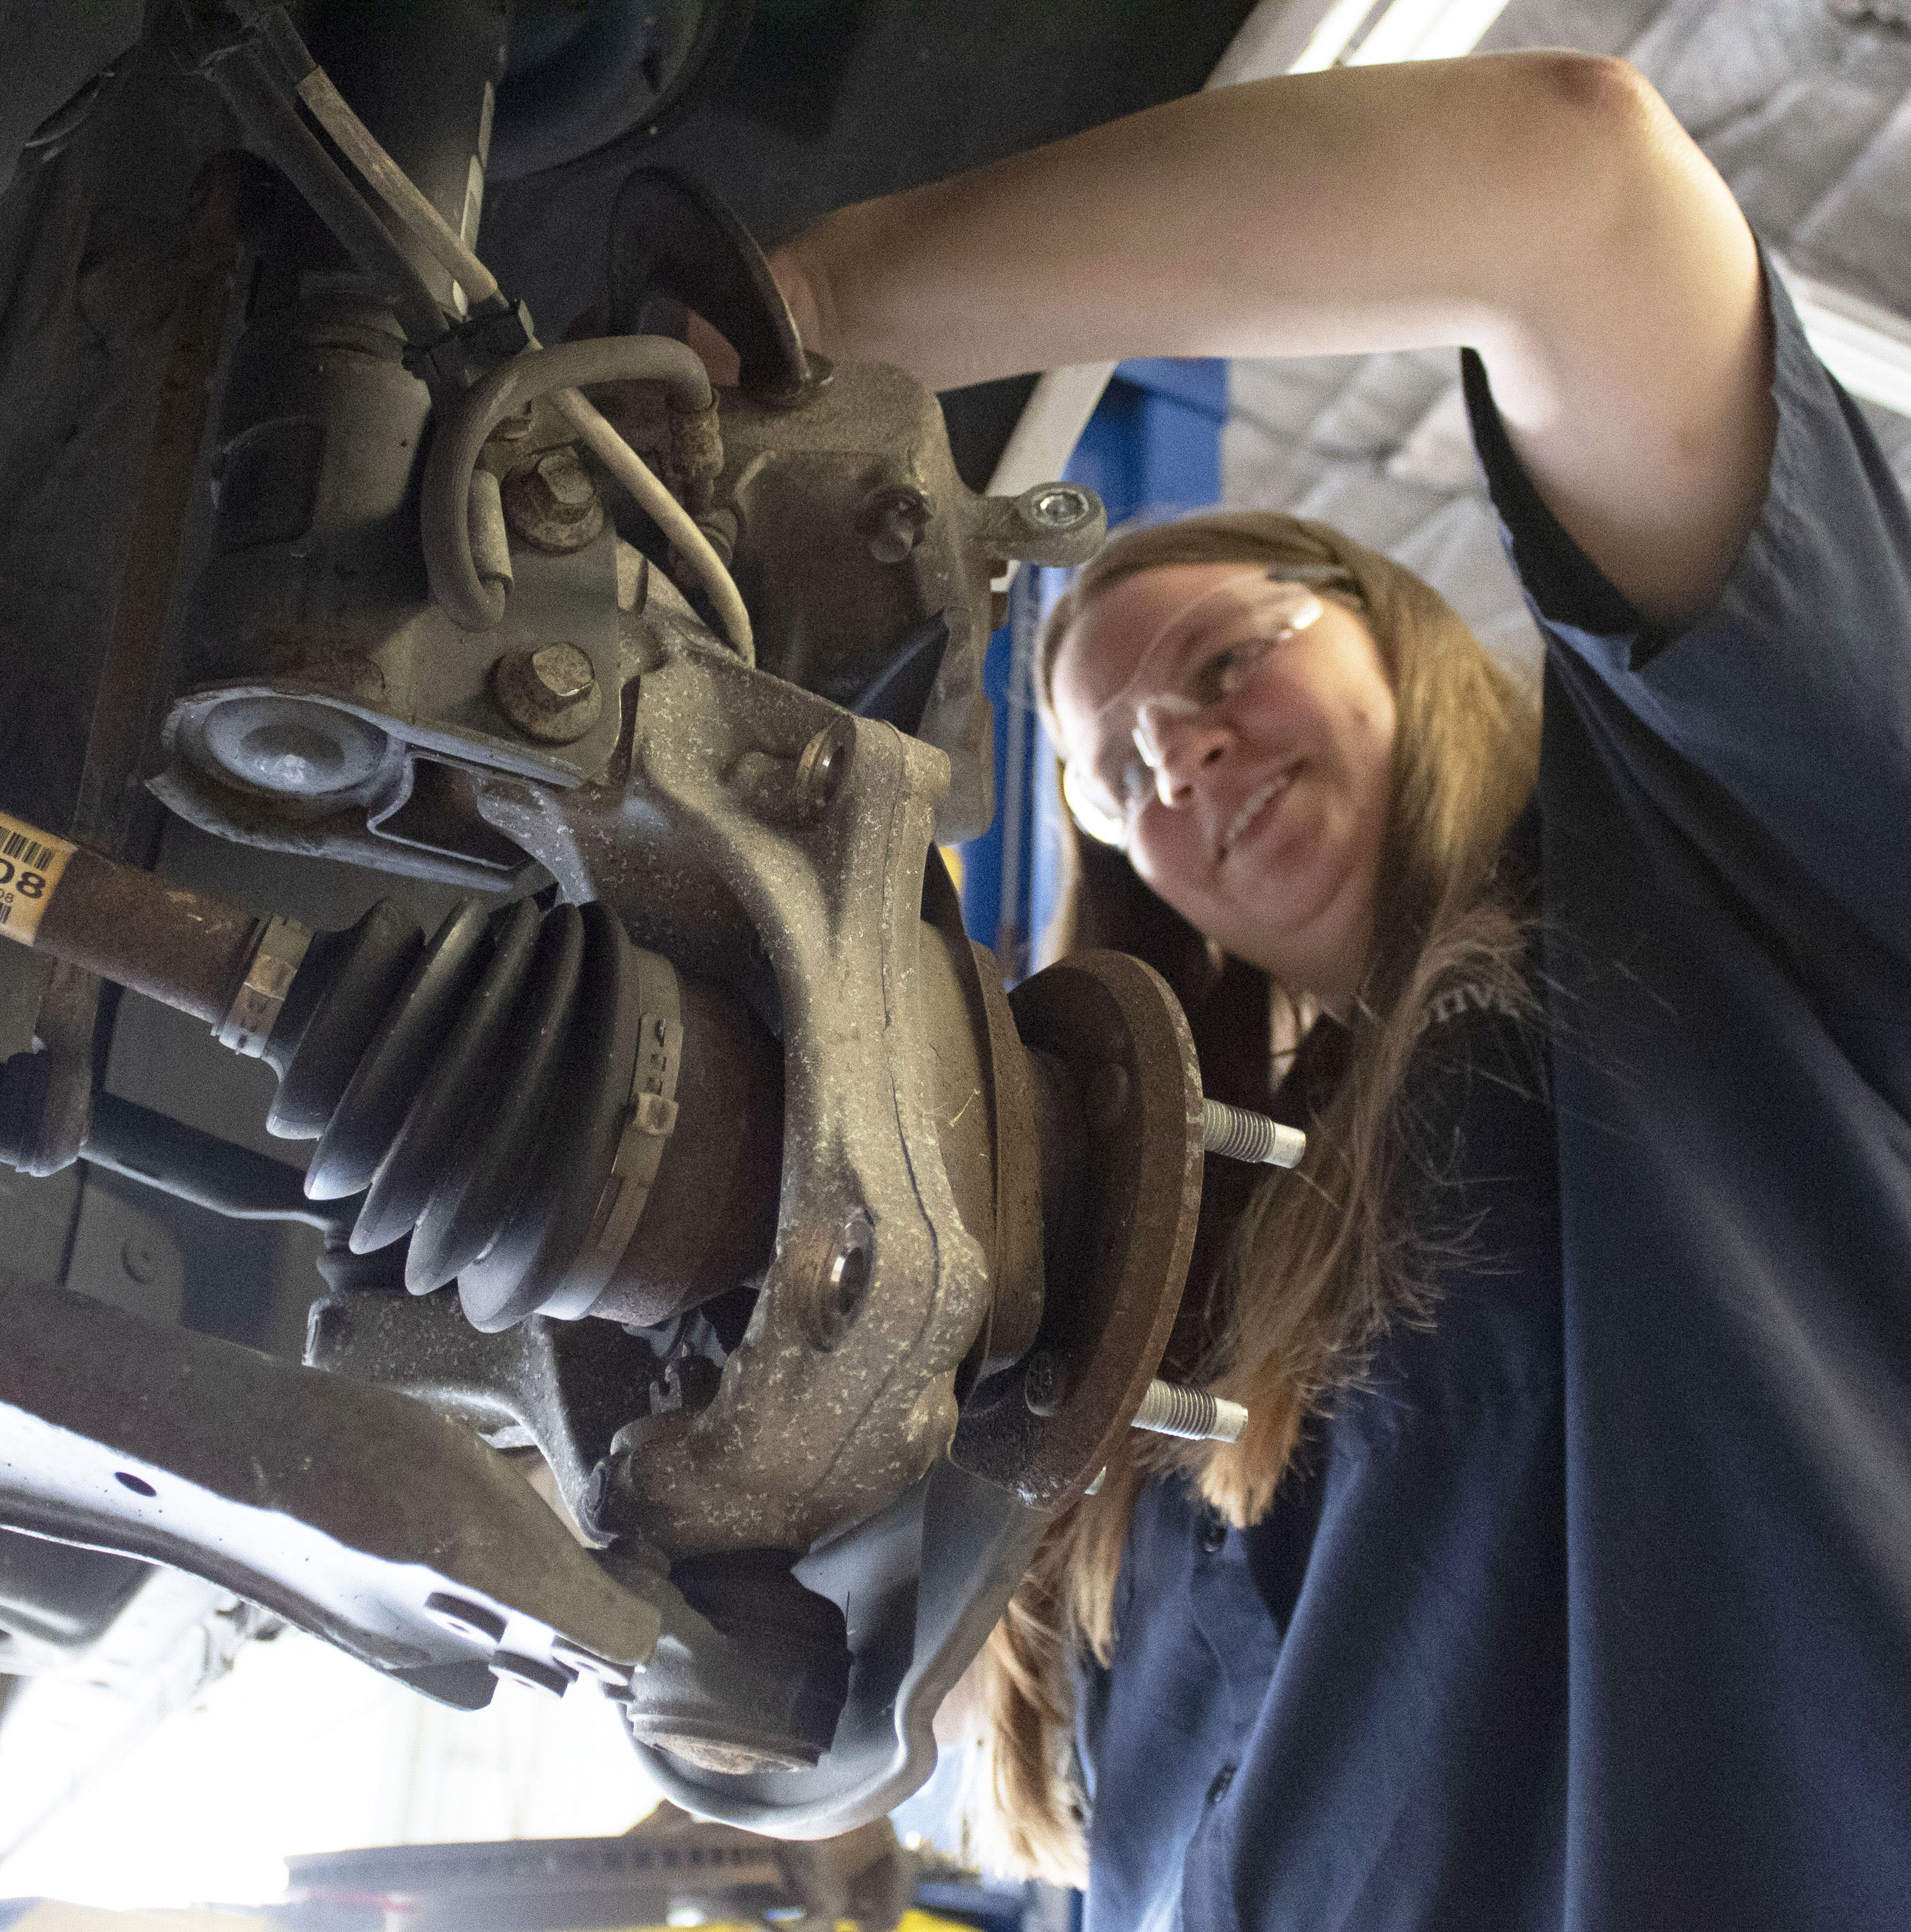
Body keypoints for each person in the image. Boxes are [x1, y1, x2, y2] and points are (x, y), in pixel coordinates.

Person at [710, 50, 1911, 1930]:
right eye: (1111, 778)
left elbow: (1571, 185)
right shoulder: (1201, 1287)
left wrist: (807, 318)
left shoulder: (1708, 880)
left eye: (1211, 663)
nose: (1168, 762)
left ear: (1391, 634)